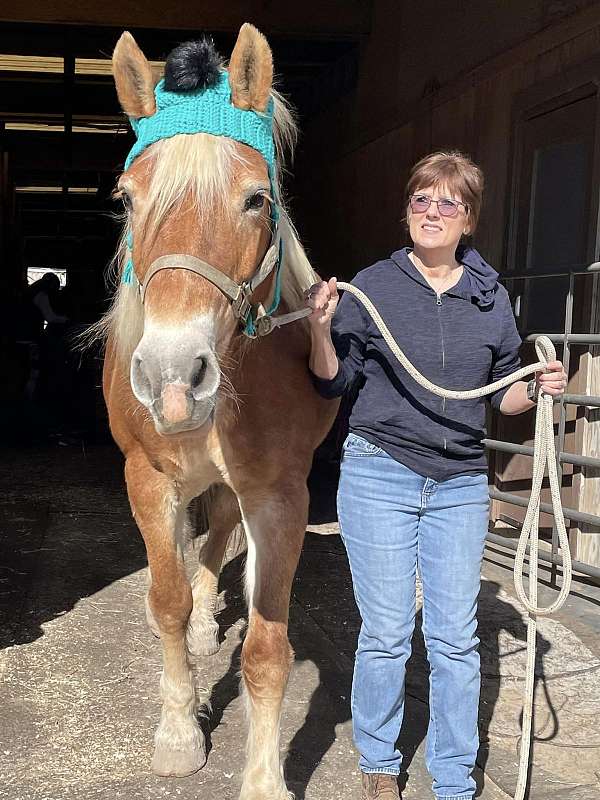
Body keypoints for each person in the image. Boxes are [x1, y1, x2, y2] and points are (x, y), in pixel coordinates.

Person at [305, 151, 567, 800]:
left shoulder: (491, 297)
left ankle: (453, 779)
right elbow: (331, 379)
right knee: (389, 632)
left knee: (454, 638)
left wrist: (535, 388)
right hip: (379, 473)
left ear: (468, 218)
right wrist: (318, 327)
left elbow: (500, 394)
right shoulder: (373, 285)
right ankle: (379, 762)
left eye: (448, 202)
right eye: (421, 199)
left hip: (458, 483)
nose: (432, 212)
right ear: (406, 210)